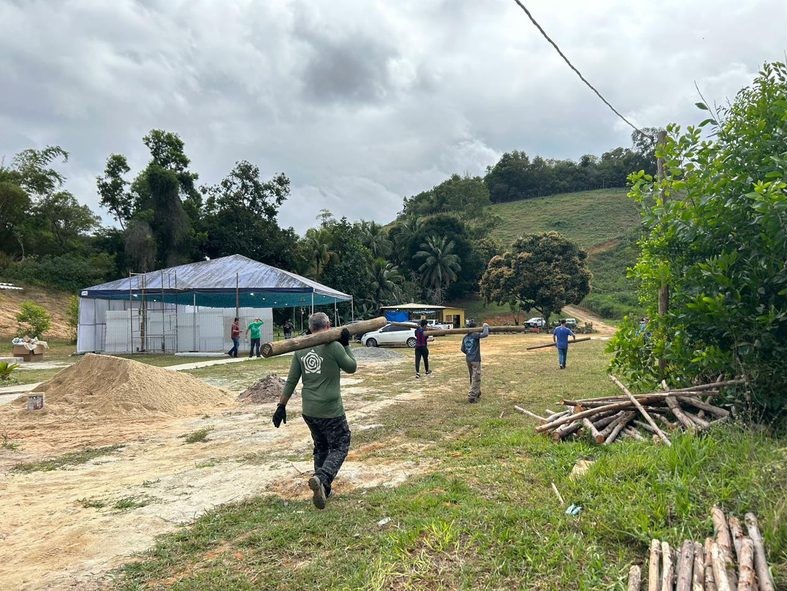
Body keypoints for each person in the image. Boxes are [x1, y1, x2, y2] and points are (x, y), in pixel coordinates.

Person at [272, 312, 356, 509]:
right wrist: (346, 344)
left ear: (310, 328)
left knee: (321, 447)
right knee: (341, 444)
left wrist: (281, 406)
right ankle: (322, 477)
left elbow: (292, 380)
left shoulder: (301, 349)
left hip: (309, 409)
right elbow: (351, 367)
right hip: (331, 409)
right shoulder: (334, 346)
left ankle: (323, 489)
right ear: (328, 326)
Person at [461, 321, 490, 403]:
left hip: (468, 359)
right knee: (476, 377)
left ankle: (477, 391)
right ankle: (472, 396)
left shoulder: (465, 337)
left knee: (472, 376)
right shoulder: (475, 335)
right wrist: (485, 326)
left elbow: (462, 349)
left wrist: (469, 353)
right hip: (475, 359)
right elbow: (485, 334)